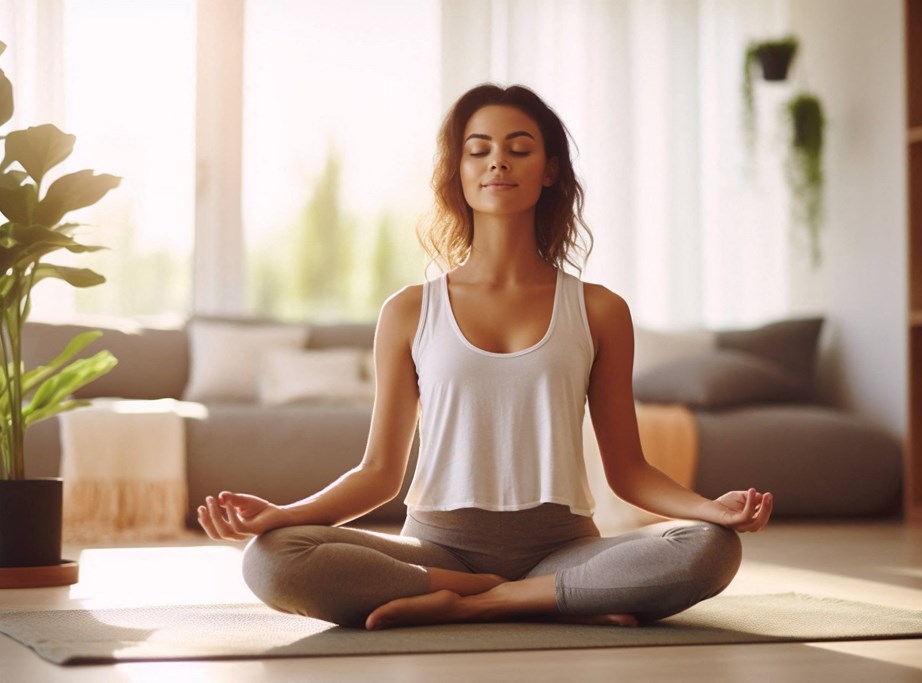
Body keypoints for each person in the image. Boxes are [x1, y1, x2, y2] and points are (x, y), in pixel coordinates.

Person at [197, 83, 773, 631]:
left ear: (548, 171)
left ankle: (487, 603)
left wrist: (710, 511)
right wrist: (283, 515)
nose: (498, 162)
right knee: (271, 558)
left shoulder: (599, 310)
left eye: (519, 149)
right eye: (479, 151)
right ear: (461, 172)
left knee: (709, 549)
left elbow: (629, 472)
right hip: (437, 550)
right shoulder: (408, 311)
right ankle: (540, 601)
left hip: (561, 549)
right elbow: (377, 475)